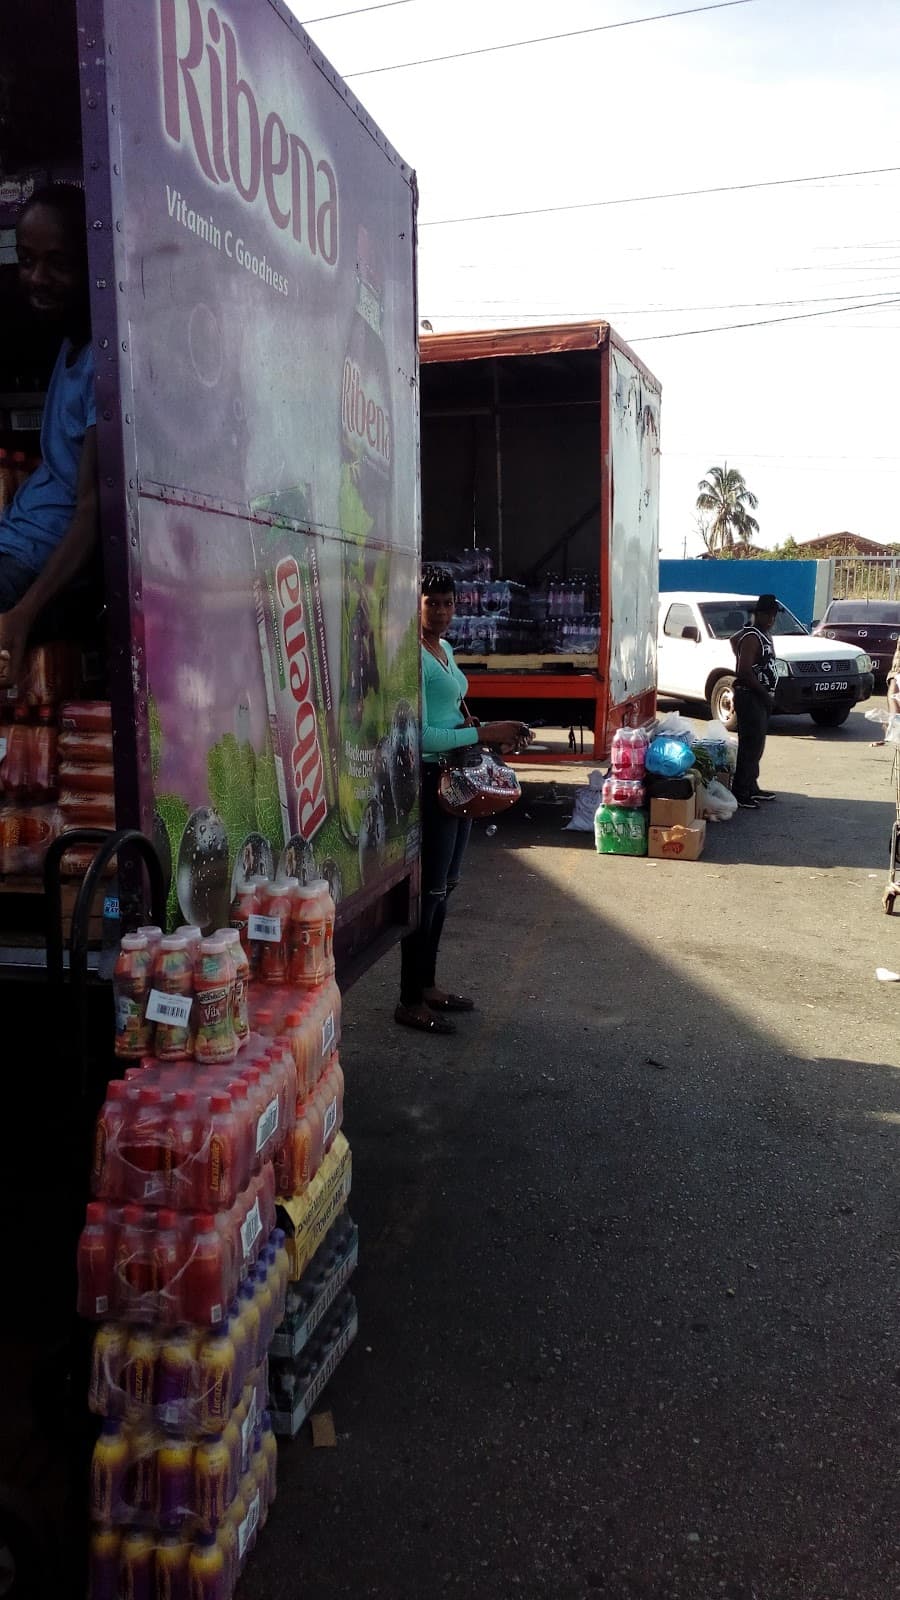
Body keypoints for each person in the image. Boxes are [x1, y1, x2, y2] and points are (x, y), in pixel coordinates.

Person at [396, 566, 533, 1035]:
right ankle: (409, 999)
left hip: (458, 779)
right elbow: (419, 735)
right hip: (432, 779)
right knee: (428, 893)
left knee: (446, 888)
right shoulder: (411, 656)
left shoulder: (445, 649)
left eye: (448, 603)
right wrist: (483, 733)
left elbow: (450, 714)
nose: (441, 611)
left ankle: (429, 985)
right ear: (415, 605)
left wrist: (480, 730)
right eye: (431, 603)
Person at [0, 183, 98, 690]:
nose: (37, 277)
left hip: (31, 564)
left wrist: (23, 612)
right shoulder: (70, 345)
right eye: (26, 260)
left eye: (57, 263)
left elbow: (93, 510)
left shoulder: (104, 363)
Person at [730, 593, 780, 810]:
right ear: (757, 614)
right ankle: (741, 792)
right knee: (750, 746)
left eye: (773, 616)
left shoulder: (762, 634)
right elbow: (744, 672)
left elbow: (733, 640)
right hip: (750, 695)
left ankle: (751, 786)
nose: (771, 619)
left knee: (757, 744)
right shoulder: (751, 636)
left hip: (759, 696)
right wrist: (764, 694)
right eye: (767, 615)